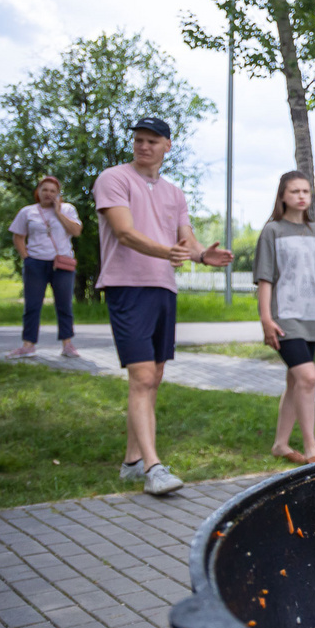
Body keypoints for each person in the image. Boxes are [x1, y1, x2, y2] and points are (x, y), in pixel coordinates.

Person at [94, 117, 233, 494]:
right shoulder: (114, 178)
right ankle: (154, 468)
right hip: (127, 286)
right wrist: (168, 251)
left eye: (152, 140)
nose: (143, 146)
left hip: (162, 289)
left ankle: (131, 462)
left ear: (167, 146)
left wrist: (203, 255)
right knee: (141, 378)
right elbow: (124, 232)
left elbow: (185, 239)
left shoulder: (174, 193)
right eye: (138, 140)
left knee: (152, 378)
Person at [254, 171, 315, 464]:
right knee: (307, 377)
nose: (301, 196)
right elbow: (265, 278)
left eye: (306, 191)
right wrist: (266, 318)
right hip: (284, 318)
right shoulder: (272, 231)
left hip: (312, 318)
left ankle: (280, 445)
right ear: (282, 196)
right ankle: (312, 449)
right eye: (294, 191)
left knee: (294, 381)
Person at [7, 176, 82, 358]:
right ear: (38, 193)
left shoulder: (68, 209)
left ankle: (67, 344)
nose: (48, 194)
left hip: (62, 264)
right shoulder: (27, 212)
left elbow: (76, 231)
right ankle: (28, 345)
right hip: (36, 263)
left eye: (52, 191)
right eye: (45, 190)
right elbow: (18, 237)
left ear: (58, 194)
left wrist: (58, 213)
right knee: (32, 305)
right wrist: (27, 259)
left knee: (64, 305)